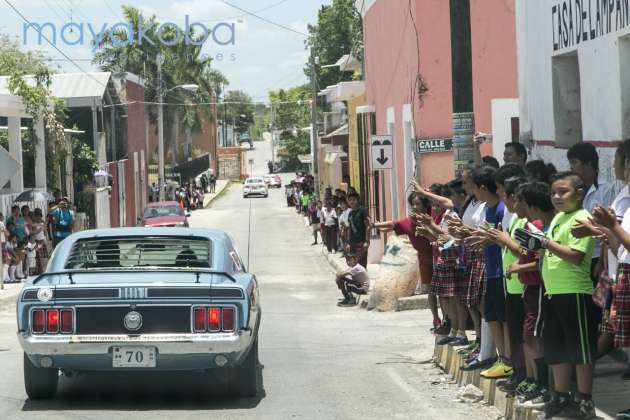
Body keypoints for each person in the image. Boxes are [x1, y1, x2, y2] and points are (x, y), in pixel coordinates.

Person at [516, 171, 598, 419]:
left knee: (580, 350)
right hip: (552, 292)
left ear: (580, 194)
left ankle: (584, 400)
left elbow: (575, 256)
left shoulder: (581, 218)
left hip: (575, 293)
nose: (557, 197)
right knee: (557, 348)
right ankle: (561, 396)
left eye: (563, 192)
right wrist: (539, 247)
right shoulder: (559, 218)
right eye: (553, 192)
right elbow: (550, 251)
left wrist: (544, 243)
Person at [373, 191, 436, 325]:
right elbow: (393, 224)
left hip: (439, 258)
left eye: (417, 204)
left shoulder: (434, 218)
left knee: (444, 292)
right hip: (424, 260)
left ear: (426, 205)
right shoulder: (409, 222)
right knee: (431, 291)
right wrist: (375, 225)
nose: (414, 207)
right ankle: (436, 319)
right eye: (412, 204)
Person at [346, 191, 370, 269]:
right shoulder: (350, 213)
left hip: (361, 242)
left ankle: (363, 281)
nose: (352, 201)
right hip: (353, 243)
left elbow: (367, 226)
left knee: (361, 266)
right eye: (350, 200)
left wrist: (366, 241)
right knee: (353, 265)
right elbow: (349, 228)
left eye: (354, 199)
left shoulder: (363, 211)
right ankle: (355, 281)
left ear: (358, 200)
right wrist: (348, 243)